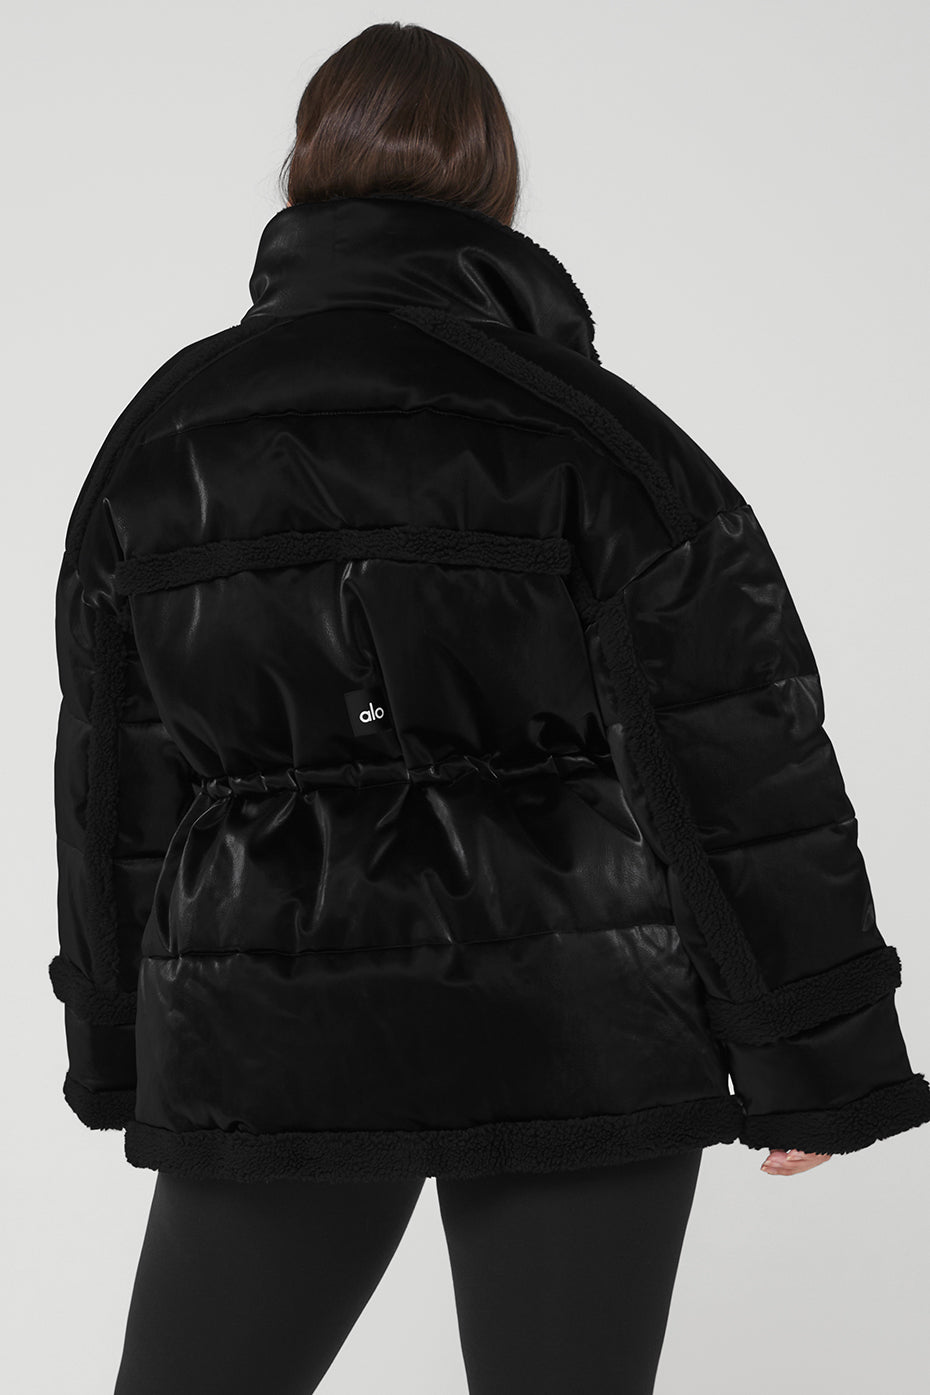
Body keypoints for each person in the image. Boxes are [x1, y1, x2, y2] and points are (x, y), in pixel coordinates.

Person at [47, 21, 930, 1395]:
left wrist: (119, 1045)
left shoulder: (163, 436)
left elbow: (115, 778)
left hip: (271, 1027)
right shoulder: (592, 432)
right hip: (580, 1020)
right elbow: (735, 751)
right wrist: (817, 1056)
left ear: (301, 168)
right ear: (493, 185)